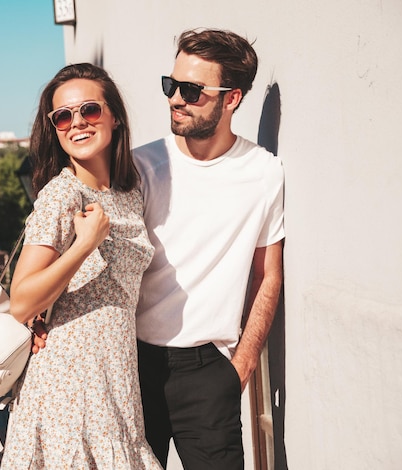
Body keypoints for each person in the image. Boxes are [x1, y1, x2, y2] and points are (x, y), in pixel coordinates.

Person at [132, 28, 285, 469]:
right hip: (134, 364)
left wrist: (242, 364)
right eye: (171, 85)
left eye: (192, 90)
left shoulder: (263, 173)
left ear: (232, 98)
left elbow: (267, 274)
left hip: (208, 374)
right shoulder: (141, 167)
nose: (176, 98)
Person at [0, 63, 162, 469]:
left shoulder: (130, 191)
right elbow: (20, 302)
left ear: (115, 117)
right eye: (63, 116)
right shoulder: (61, 194)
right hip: (67, 390)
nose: (77, 124)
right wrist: (84, 246)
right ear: (54, 128)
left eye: (89, 110)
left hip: (117, 382)